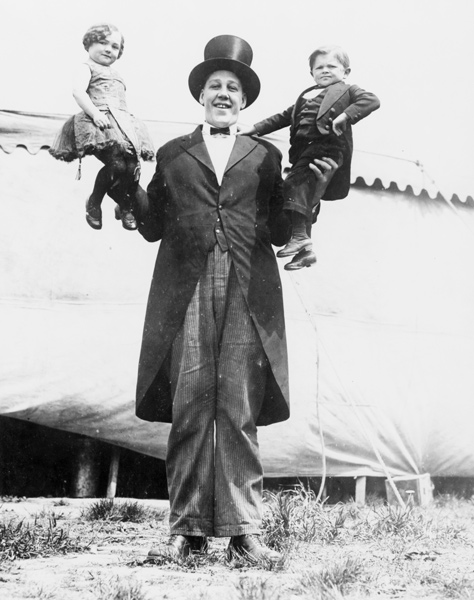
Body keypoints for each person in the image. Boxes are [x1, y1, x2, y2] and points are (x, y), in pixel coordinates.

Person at [134, 35, 338, 563]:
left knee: (238, 406)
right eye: (214, 85)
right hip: (185, 286)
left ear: (244, 100)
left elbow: (279, 227)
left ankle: (243, 532)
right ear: (200, 95)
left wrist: (312, 197)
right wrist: (120, 182)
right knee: (189, 404)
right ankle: (186, 531)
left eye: (232, 87)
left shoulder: (266, 154)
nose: (223, 94)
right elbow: (152, 225)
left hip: (250, 285)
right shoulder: (173, 153)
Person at [239, 45, 380, 270]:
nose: (325, 71)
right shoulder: (305, 95)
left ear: (346, 72)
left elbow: (371, 100)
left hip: (327, 146)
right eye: (319, 67)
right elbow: (281, 118)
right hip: (304, 151)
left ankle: (299, 236)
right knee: (303, 191)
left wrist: (345, 116)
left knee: (293, 184)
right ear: (311, 72)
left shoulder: (347, 91)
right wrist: (254, 129)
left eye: (332, 66)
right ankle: (306, 252)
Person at [49, 23, 155, 231]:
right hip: (100, 123)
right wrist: (96, 114)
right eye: (103, 43)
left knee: (133, 167)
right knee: (117, 165)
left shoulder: (117, 74)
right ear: (89, 44)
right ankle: (95, 202)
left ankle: (124, 206)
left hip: (122, 124)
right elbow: (78, 92)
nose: (108, 49)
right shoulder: (86, 67)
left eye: (115, 47)